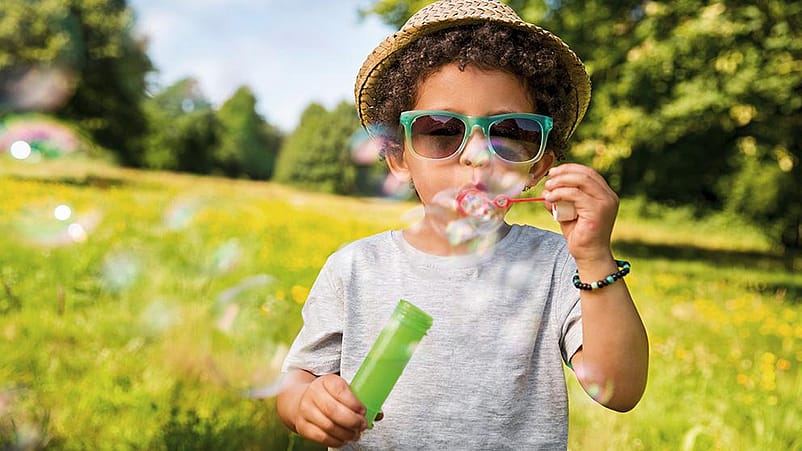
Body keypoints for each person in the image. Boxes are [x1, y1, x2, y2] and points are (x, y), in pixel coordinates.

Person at [276, 0, 649, 448]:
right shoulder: (356, 268)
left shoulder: (556, 265)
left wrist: (593, 256)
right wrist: (305, 404)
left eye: (510, 132)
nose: (477, 154)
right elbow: (297, 380)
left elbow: (621, 389)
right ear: (398, 157)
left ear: (537, 167)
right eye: (442, 130)